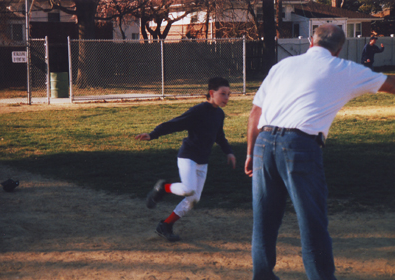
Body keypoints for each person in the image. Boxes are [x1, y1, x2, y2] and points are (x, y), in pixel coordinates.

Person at [244, 24, 395, 280]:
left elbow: (255, 113)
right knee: (312, 222)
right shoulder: (343, 68)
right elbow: (390, 84)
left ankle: (262, 276)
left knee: (264, 221)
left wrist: (250, 153)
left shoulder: (283, 66)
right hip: (299, 145)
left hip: (263, 142)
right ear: (339, 49)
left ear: (311, 42)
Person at [135, 77, 236, 242]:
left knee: (193, 200)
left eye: (228, 94)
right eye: (223, 94)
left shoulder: (219, 114)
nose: (226, 98)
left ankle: (165, 226)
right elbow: (176, 123)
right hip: (188, 156)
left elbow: (220, 136)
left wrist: (229, 152)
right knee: (188, 189)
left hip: (202, 161)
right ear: (212, 93)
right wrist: (153, 134)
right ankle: (163, 187)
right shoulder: (199, 110)